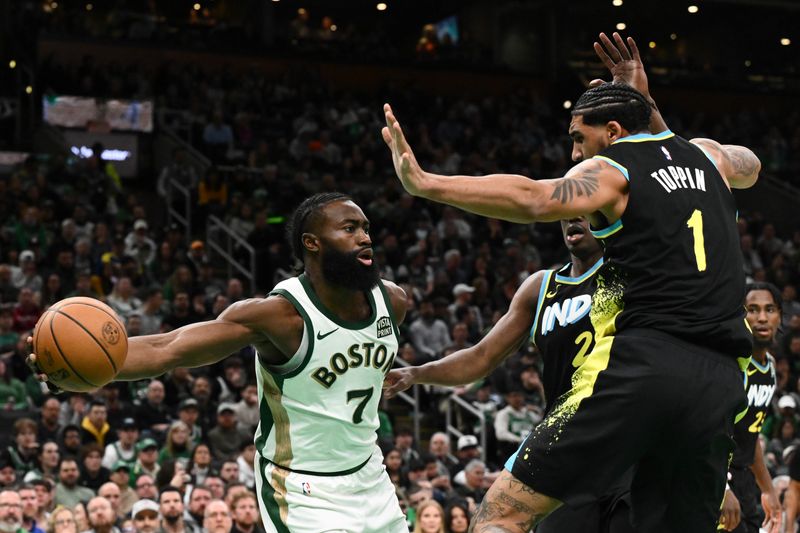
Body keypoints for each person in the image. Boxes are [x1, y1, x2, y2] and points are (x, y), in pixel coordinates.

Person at [382, 32, 760, 533]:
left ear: (613, 131)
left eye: (579, 137)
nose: (576, 151)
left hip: (643, 368)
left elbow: (532, 198)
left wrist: (427, 183)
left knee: (500, 516)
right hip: (720, 379)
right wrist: (648, 105)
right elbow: (750, 168)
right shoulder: (708, 158)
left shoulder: (612, 167)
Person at [30, 193, 408, 533]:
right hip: (304, 486)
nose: (365, 237)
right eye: (350, 228)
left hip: (370, 474)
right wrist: (84, 367)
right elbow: (168, 348)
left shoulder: (392, 303)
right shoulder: (280, 317)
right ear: (313, 243)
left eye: (365, 228)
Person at [725, 283, 784, 533]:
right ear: (741, 315)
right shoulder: (729, 364)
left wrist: (769, 490)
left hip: (744, 480)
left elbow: (751, 435)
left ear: (780, 316)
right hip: (715, 476)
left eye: (769, 309)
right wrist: (723, 489)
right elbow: (707, 431)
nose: (761, 317)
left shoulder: (769, 367)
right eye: (753, 309)